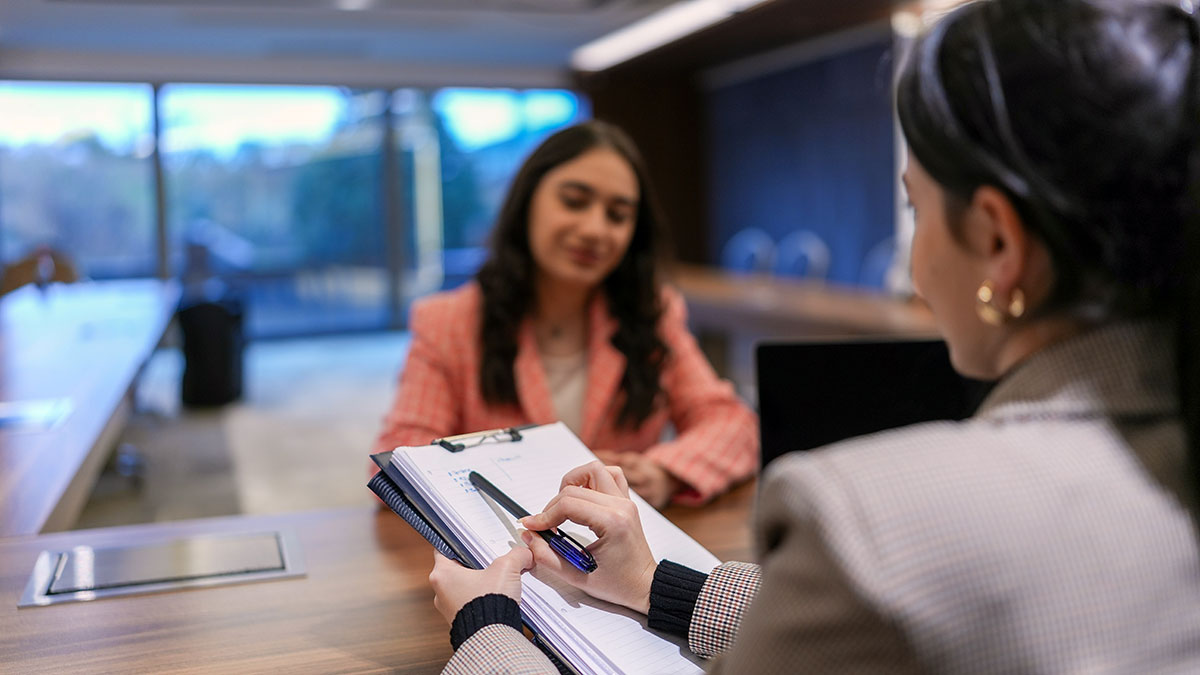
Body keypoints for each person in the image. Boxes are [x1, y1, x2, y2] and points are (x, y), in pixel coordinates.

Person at [425, 0, 1200, 671]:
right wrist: (660, 584)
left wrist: (485, 627)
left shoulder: (861, 515)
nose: (916, 266)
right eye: (575, 200)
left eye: (915, 210)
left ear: (997, 242)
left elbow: (737, 430)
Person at [372, 121, 757, 507]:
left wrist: (664, 472)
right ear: (527, 203)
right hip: (500, 554)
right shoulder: (449, 322)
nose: (594, 229)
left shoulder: (651, 313)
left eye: (618, 215)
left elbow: (733, 425)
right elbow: (396, 467)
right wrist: (533, 478)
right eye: (574, 201)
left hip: (620, 555)